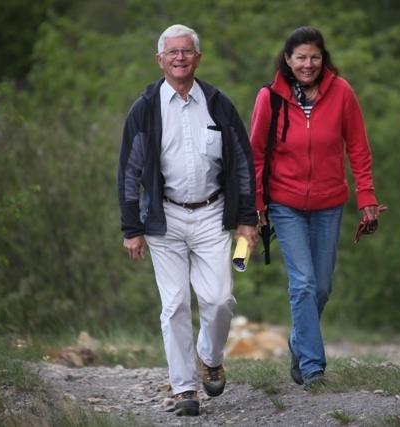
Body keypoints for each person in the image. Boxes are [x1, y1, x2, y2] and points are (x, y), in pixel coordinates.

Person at [117, 24, 258, 416]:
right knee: (175, 304)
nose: (180, 58)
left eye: (186, 51)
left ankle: (210, 358)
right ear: (160, 60)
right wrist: (131, 228)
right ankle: (184, 389)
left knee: (220, 299)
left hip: (212, 214)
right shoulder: (145, 108)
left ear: (198, 58)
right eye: (172, 52)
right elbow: (129, 171)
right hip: (163, 219)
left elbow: (243, 164)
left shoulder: (218, 103)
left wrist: (247, 219)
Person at [249, 27, 381, 389]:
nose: (308, 64)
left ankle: (298, 340)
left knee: (321, 287)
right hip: (285, 203)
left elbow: (358, 148)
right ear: (287, 59)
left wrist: (367, 197)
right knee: (303, 283)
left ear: (324, 59)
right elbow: (256, 153)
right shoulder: (269, 98)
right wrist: (257, 204)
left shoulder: (342, 92)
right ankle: (312, 367)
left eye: (315, 57)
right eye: (301, 57)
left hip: (328, 203)